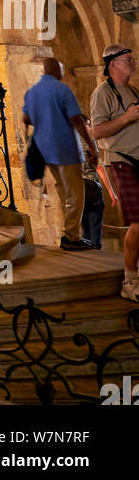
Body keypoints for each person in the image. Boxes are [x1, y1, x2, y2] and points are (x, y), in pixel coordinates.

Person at [22, 57, 98, 250]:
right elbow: (76, 119)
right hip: (65, 148)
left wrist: (45, 121)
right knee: (76, 193)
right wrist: (91, 146)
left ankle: (71, 234)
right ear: (57, 70)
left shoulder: (33, 91)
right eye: (61, 69)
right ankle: (71, 237)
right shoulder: (62, 89)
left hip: (46, 149)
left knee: (64, 191)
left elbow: (27, 117)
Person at [90, 44, 139, 301]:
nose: (133, 62)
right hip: (122, 162)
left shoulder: (131, 90)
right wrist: (127, 118)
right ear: (113, 65)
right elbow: (96, 132)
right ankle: (130, 281)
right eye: (128, 59)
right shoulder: (103, 93)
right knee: (138, 224)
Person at [80, 117, 114, 249]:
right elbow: (99, 166)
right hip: (91, 187)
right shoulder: (88, 141)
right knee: (95, 229)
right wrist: (111, 191)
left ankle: (89, 261)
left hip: (78, 190)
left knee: (85, 231)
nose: (90, 128)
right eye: (88, 125)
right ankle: (98, 259)